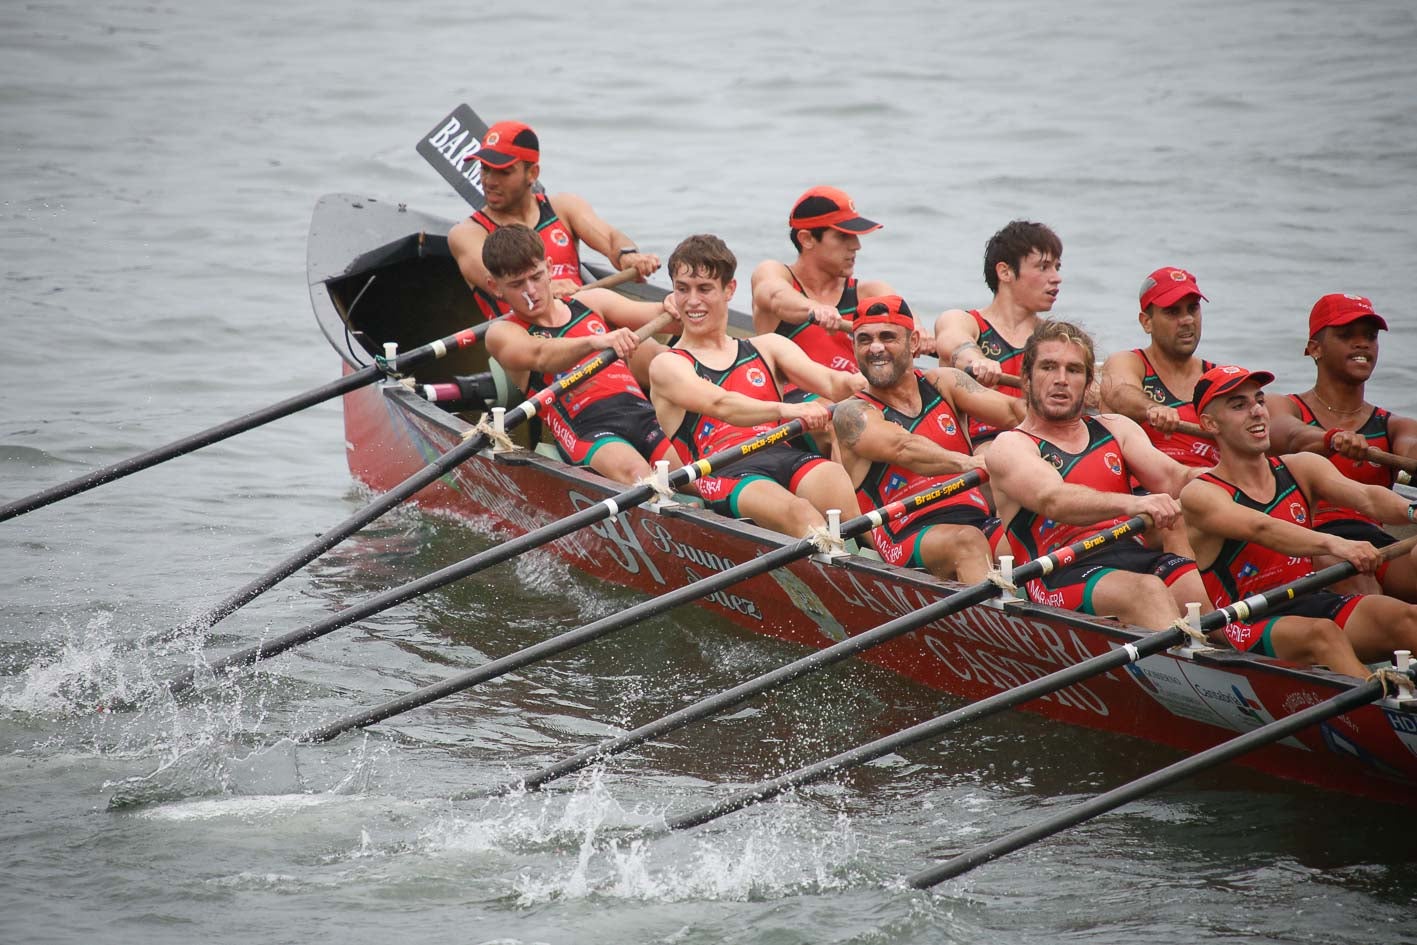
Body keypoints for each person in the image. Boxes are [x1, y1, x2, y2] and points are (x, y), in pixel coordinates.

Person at [1180, 365, 1417, 677]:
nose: (1256, 412)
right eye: (1239, 405)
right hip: (1247, 620)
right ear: (1210, 423)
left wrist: (1412, 512)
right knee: (1324, 636)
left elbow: (1368, 497)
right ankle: (1385, 713)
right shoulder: (1201, 494)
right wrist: (1340, 545)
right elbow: (1261, 528)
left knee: (1406, 618)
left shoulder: (1301, 468)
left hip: (1308, 599)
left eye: (1259, 401)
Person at [986, 320, 1211, 630]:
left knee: (1208, 596)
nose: (1061, 380)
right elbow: (1053, 500)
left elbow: (1176, 478)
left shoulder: (1115, 428)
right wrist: (1133, 505)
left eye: (1074, 370)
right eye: (1048, 367)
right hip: (1057, 573)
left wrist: (1232, 480)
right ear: (1026, 378)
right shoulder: (1010, 445)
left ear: (1089, 382)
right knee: (1146, 591)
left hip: (1131, 554)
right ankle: (1185, 671)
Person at [648, 234, 864, 538]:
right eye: (682, 289)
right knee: (799, 512)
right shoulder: (668, 364)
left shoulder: (769, 347)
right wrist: (789, 408)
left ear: (729, 290)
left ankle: (874, 567)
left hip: (781, 453)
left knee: (834, 480)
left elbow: (832, 381)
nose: (692, 301)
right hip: (723, 470)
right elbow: (721, 405)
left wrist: (866, 380)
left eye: (704, 289)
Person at [832, 295, 1023, 582]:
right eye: (864, 340)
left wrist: (1058, 404)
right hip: (904, 533)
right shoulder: (852, 412)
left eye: (887, 337)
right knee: (968, 542)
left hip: (977, 520)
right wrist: (971, 463)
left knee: (1028, 542)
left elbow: (1012, 412)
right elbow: (903, 447)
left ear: (914, 343)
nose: (875, 348)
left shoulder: (944, 383)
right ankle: (993, 625)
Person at [480, 224, 682, 485]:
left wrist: (676, 302)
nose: (530, 291)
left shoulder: (591, 301)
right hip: (588, 430)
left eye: (536, 277)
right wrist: (594, 341)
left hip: (641, 413)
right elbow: (541, 354)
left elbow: (667, 320)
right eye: (517, 284)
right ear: (495, 287)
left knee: (698, 473)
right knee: (640, 477)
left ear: (550, 268)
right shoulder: (502, 333)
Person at [1268, 293, 1417, 600]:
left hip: (1376, 543)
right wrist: (1330, 439)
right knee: (1363, 587)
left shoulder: (1395, 425)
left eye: (1371, 336)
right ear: (1314, 348)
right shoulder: (1285, 407)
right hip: (1310, 541)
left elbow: (1411, 450)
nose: (1362, 344)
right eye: (1347, 335)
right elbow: (1290, 435)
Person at [447, 120, 660, 319]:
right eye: (485, 169)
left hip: (585, 321)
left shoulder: (564, 208)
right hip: (528, 341)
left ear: (533, 173)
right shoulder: (468, 234)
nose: (489, 181)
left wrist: (628, 256)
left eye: (503, 172)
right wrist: (547, 287)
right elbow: (496, 279)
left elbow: (612, 238)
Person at [934, 220, 1063, 453]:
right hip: (980, 449)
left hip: (1044, 443)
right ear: (1005, 272)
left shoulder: (1056, 337)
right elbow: (954, 345)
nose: (1056, 278)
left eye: (1057, 267)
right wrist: (977, 362)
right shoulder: (963, 321)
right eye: (1043, 267)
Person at [749, 186, 900, 373]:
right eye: (843, 236)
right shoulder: (774, 273)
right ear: (807, 239)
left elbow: (902, 315)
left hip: (855, 397)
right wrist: (815, 308)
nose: (856, 245)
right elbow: (775, 295)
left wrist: (919, 332)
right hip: (793, 399)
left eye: (855, 236)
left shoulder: (870, 292)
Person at [1098, 266, 1218, 467]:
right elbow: (1118, 392)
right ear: (1147, 322)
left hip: (1210, 487)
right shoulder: (1129, 362)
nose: (1187, 320)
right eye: (1173, 312)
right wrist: (1152, 408)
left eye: (1193, 308)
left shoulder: (1218, 377)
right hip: (1145, 491)